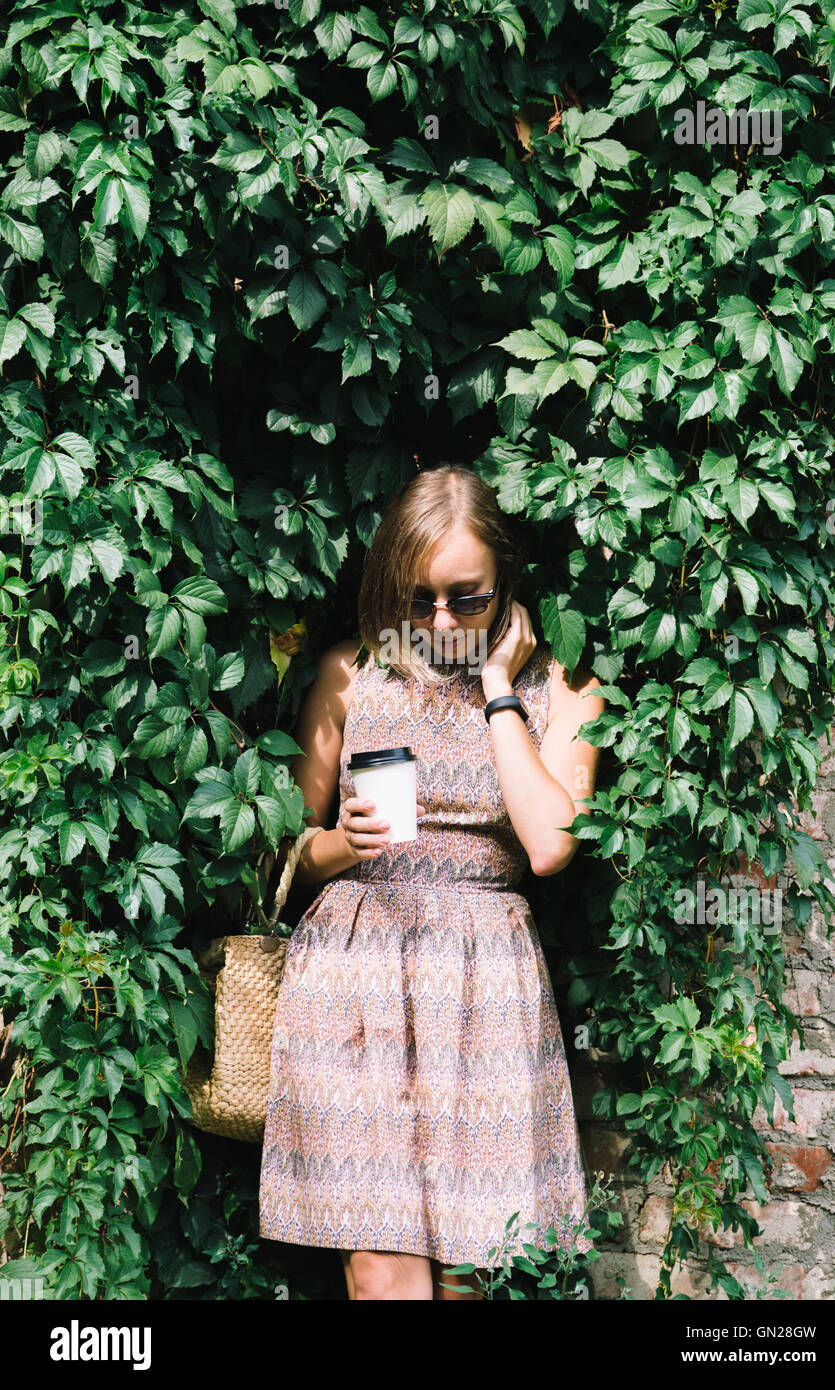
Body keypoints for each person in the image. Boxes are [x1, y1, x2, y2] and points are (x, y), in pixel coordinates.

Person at [258, 463, 604, 1300]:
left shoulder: (563, 689)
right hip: (358, 980)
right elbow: (282, 861)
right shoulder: (350, 675)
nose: (441, 619)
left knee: (473, 1274)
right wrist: (340, 844)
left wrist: (495, 690)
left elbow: (551, 845)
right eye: (418, 599)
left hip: (483, 989)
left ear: (506, 583)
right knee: (382, 1275)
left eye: (466, 597)